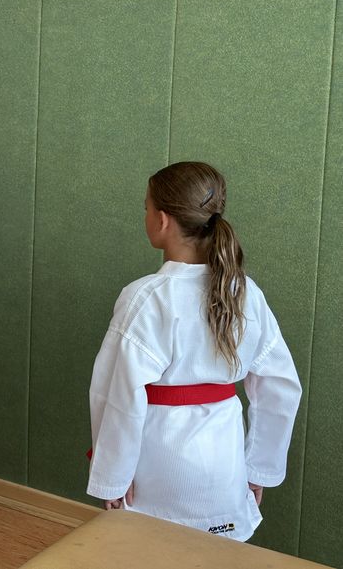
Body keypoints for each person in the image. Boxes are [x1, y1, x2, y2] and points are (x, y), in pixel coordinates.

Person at [87, 162, 302, 541]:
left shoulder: (145, 298)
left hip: (160, 464)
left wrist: (114, 476)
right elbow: (280, 385)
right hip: (224, 459)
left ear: (162, 220)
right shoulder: (246, 293)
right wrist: (258, 469)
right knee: (218, 552)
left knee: (152, 550)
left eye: (146, 208)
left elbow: (118, 395)